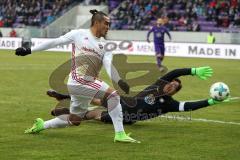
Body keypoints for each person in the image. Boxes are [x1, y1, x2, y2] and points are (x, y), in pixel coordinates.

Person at [15, 9, 139, 143]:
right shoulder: (79, 34)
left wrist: (118, 80)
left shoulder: (106, 45)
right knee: (113, 96)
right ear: (96, 22)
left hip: (86, 84)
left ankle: (42, 125)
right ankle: (120, 134)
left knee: (75, 120)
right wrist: (29, 50)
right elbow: (55, 42)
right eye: (106, 24)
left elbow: (108, 64)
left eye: (109, 24)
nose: (108, 27)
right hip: (78, 80)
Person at [47, 66, 227, 124]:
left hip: (126, 117)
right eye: (171, 83)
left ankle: (63, 112)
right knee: (96, 97)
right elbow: (173, 72)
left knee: (91, 114)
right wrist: (193, 70)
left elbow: (189, 106)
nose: (171, 86)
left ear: (174, 92)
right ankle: (63, 95)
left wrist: (210, 101)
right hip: (125, 101)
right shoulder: (159, 84)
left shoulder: (168, 104)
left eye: (174, 87)